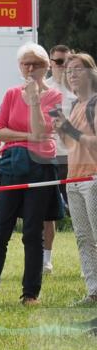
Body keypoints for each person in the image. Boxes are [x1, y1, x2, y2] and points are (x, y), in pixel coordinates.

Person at [0, 44, 64, 306]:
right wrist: (25, 136)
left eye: (36, 64)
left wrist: (34, 101)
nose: (31, 69)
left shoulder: (55, 97)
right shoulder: (11, 93)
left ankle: (30, 293)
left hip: (41, 166)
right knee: (0, 231)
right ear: (20, 67)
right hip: (12, 167)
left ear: (46, 67)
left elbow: (44, 130)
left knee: (33, 232)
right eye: (26, 64)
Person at [52, 52, 97, 305]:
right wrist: (63, 129)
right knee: (83, 237)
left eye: (78, 69)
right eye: (69, 71)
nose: (72, 75)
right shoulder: (78, 105)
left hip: (93, 178)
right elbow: (71, 144)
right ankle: (93, 291)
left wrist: (71, 130)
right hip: (74, 179)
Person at [43, 44, 74, 274]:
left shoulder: (82, 90)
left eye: (67, 61)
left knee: (85, 212)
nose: (63, 67)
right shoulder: (44, 88)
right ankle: (46, 260)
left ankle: (88, 262)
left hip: (77, 158)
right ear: (51, 63)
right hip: (51, 156)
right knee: (48, 211)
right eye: (59, 62)